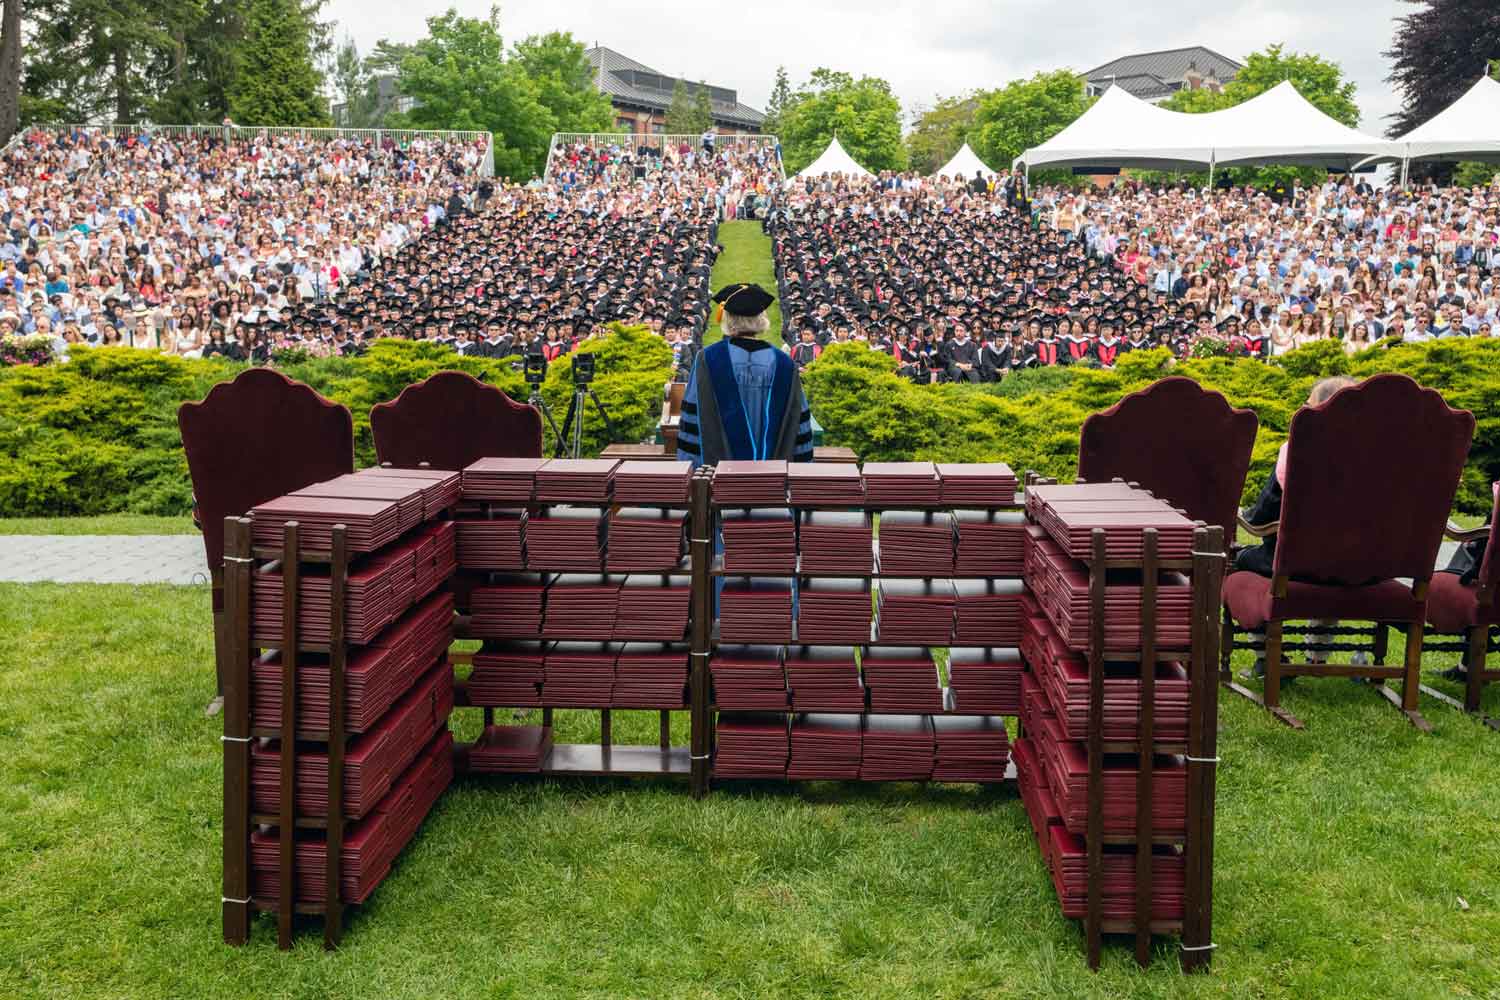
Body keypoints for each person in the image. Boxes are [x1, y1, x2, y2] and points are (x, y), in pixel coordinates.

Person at [1237, 375, 1360, 674]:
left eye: (1307, 406)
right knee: (1333, 561)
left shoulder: (1297, 450)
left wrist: (1244, 515)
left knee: (1239, 561)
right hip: (1359, 566)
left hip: (1296, 563)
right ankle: (1317, 656)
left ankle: (1268, 655)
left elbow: (1264, 515)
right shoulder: (1385, 456)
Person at [677, 283, 812, 468]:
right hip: (773, 478)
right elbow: (799, 424)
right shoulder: (784, 363)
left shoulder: (707, 359)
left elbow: (692, 420)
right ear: (762, 320)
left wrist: (691, 471)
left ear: (728, 319)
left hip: (716, 479)